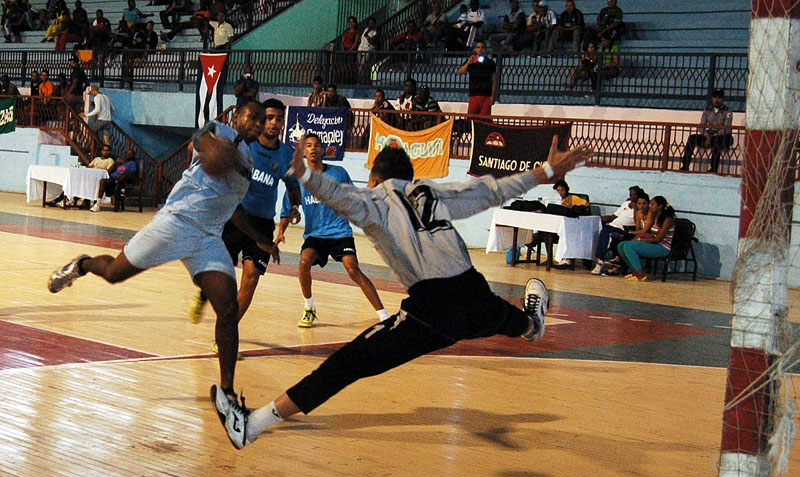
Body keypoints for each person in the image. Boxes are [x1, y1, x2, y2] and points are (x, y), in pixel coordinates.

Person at [217, 135, 594, 450]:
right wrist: (546, 171)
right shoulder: (433, 192)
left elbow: (339, 196)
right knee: (500, 317)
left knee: (346, 365)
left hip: (431, 310)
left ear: (376, 177)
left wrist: (306, 174)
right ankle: (531, 325)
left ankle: (252, 425)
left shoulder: (377, 200)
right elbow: (491, 191)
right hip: (473, 291)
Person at [48, 102, 275, 438]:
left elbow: (234, 207)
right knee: (113, 273)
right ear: (238, 117)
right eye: (254, 117)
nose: (259, 123)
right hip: (175, 223)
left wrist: (261, 239)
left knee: (227, 308)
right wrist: (227, 148)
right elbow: (212, 163)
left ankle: (227, 392)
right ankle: (81, 265)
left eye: (265, 120)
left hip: (208, 236)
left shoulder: (249, 161)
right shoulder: (215, 130)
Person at [188, 99, 301, 343]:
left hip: (262, 224)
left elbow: (292, 186)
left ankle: (226, 334)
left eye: (278, 119)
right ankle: (204, 293)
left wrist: (294, 206)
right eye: (269, 117)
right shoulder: (243, 147)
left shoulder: (285, 155)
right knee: (221, 274)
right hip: (234, 217)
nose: (273, 123)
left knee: (251, 278)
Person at [277, 134, 389, 328]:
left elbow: (353, 196)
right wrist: (281, 231)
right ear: (304, 151)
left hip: (340, 232)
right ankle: (309, 307)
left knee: (352, 268)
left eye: (317, 145)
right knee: (304, 261)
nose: (313, 148)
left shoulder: (338, 173)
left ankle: (384, 315)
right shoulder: (299, 179)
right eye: (309, 145)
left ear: (323, 150)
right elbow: (288, 209)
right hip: (315, 234)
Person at [617, 196, 675, 282]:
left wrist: (640, 240)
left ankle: (641, 273)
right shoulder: (656, 217)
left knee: (629, 246)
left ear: (660, 206)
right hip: (653, 244)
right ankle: (634, 272)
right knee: (621, 245)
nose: (650, 207)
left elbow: (658, 239)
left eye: (652, 205)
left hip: (662, 248)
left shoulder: (668, 220)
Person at [680, 89, 734, 173]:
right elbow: (702, 126)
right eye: (715, 97)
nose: (717, 100)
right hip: (709, 135)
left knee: (718, 142)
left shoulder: (727, 111)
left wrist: (712, 136)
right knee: (692, 138)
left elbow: (726, 128)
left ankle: (713, 169)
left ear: (723, 99)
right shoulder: (708, 109)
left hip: (722, 136)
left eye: (719, 98)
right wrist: (706, 135)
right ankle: (685, 165)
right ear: (712, 98)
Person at [591, 185, 639, 274]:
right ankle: (592, 260)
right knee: (595, 231)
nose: (632, 198)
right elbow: (613, 216)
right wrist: (597, 218)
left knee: (606, 233)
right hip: (612, 225)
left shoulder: (640, 207)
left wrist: (635, 207)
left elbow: (637, 222)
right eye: (631, 195)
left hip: (623, 229)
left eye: (635, 195)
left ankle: (600, 262)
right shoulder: (625, 204)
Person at [457, 40, 496, 116]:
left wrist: (493, 95)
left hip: (486, 95)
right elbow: (460, 72)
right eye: (478, 47)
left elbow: (494, 80)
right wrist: (468, 63)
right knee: (472, 118)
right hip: (474, 94)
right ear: (475, 49)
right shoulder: (471, 61)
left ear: (485, 49)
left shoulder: (490, 63)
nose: (480, 50)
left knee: (485, 120)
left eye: (482, 47)